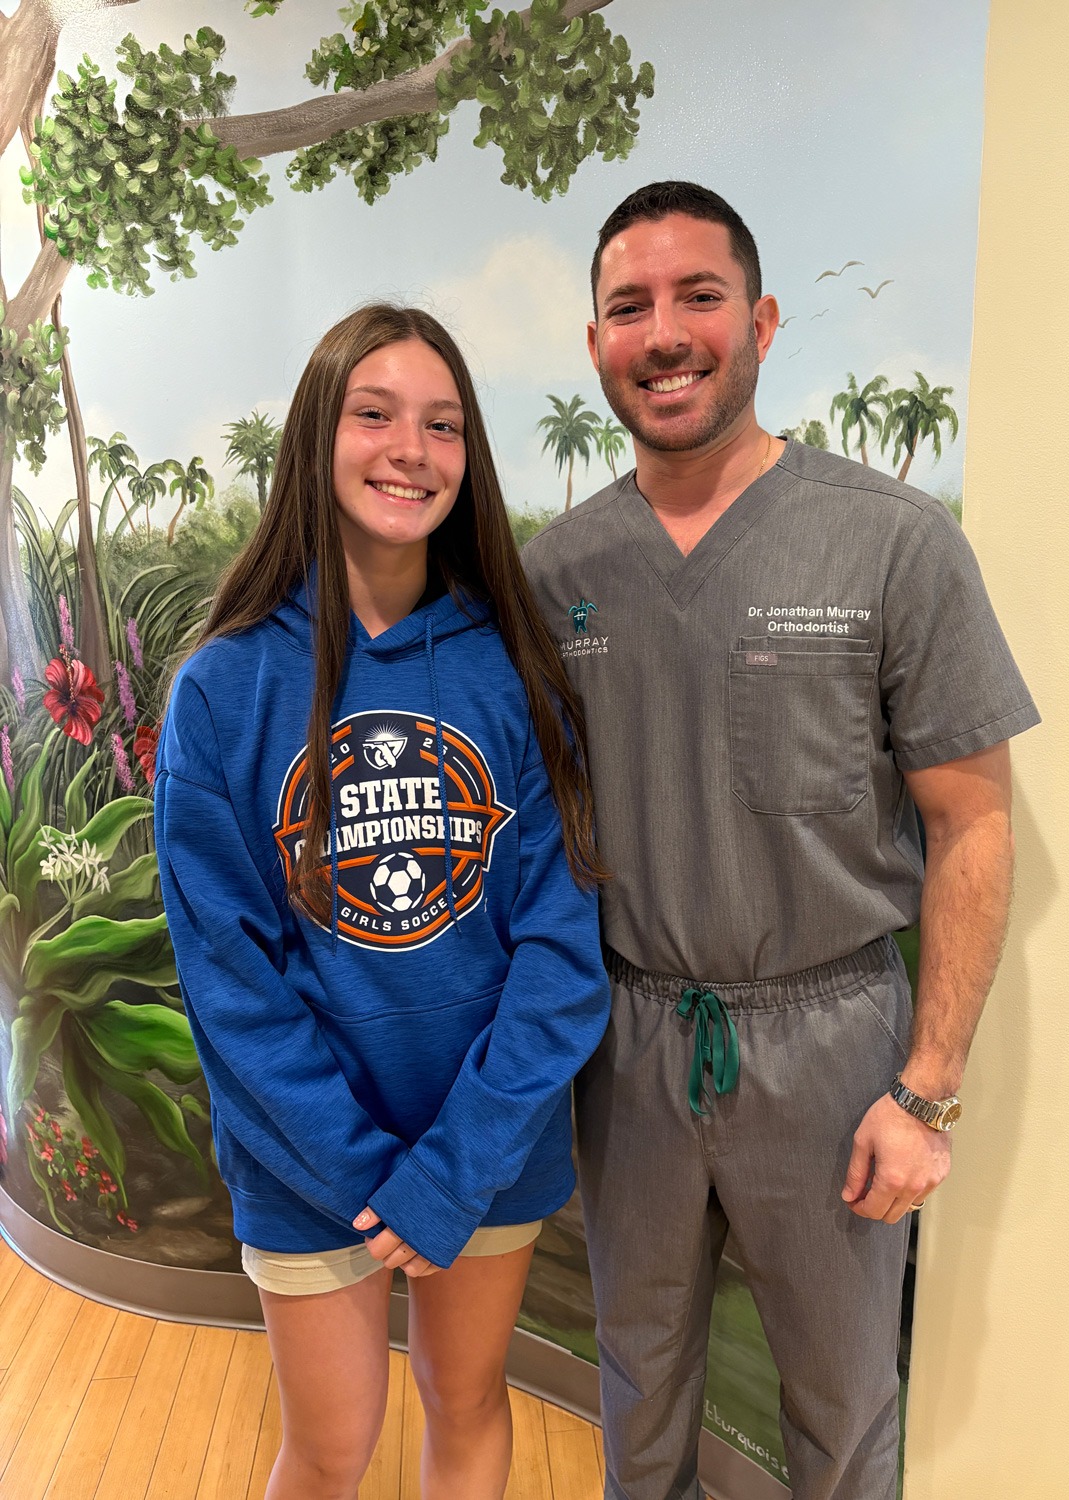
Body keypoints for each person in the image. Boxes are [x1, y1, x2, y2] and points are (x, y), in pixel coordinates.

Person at [521, 181, 1040, 1500]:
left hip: (833, 1047)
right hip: (629, 1046)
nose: (665, 332)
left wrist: (924, 1089)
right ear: (595, 347)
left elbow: (972, 821)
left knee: (844, 1405)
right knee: (636, 1388)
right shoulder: (555, 577)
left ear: (757, 321)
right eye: (628, 306)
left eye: (698, 297)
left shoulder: (892, 546)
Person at [153, 303, 610, 1500]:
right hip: (310, 1167)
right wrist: (368, 1175)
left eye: (443, 424)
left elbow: (562, 956)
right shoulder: (224, 688)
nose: (412, 448)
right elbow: (229, 987)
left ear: (470, 457)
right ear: (320, 435)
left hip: (486, 1147)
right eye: (376, 414)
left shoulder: (513, 668)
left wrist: (452, 1170)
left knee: (465, 1406)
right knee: (333, 1445)